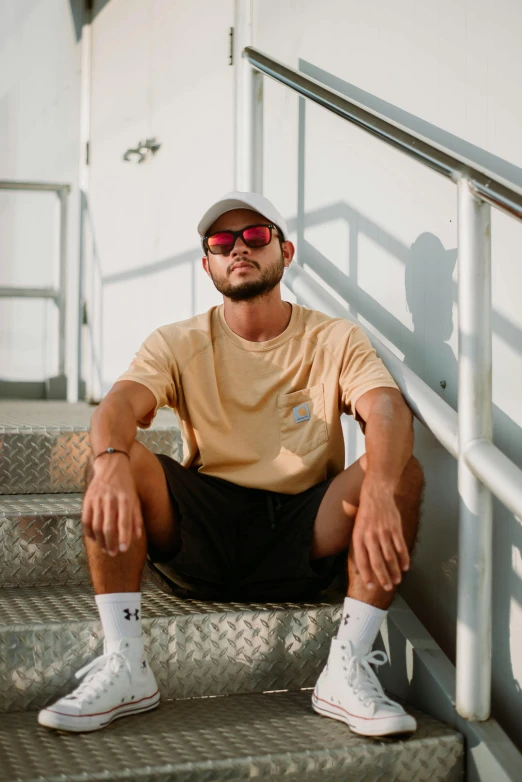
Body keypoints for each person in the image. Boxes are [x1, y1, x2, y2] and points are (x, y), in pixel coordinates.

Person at [38, 191, 423, 736]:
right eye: (221, 242)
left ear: (285, 252)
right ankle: (126, 664)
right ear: (208, 264)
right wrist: (107, 462)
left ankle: (345, 666)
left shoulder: (333, 336)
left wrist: (380, 489)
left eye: (255, 236)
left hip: (304, 526)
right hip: (205, 526)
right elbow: (121, 405)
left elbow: (384, 408)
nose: (238, 248)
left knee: (401, 471)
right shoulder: (178, 340)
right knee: (112, 456)